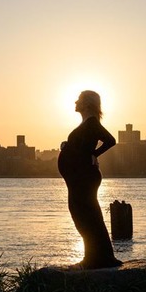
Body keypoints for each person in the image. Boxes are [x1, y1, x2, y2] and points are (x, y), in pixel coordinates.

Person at [58, 90, 122, 269]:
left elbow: (110, 140)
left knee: (87, 216)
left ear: (86, 103)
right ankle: (95, 257)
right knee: (83, 215)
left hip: (84, 177)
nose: (75, 102)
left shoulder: (92, 122)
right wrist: (67, 146)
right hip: (78, 178)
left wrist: (95, 154)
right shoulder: (86, 124)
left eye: (78, 99)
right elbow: (80, 146)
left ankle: (96, 259)